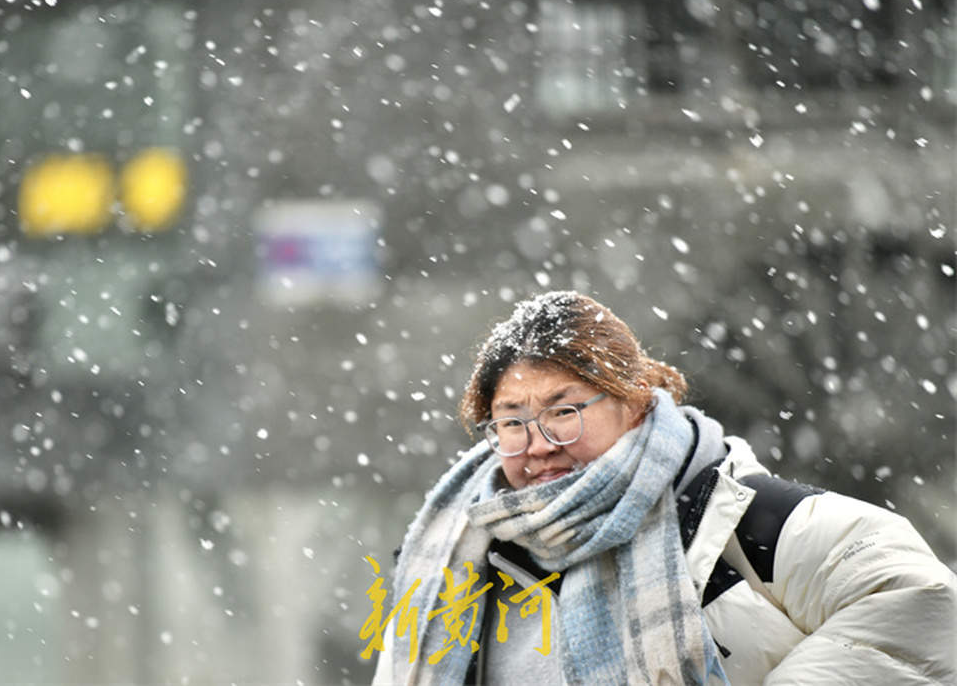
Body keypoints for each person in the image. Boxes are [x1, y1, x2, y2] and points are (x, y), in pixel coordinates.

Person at [372, 291, 955, 685]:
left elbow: (921, 605)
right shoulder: (460, 562)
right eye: (511, 420)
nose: (539, 442)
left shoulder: (747, 523)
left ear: (631, 403)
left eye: (564, 411)